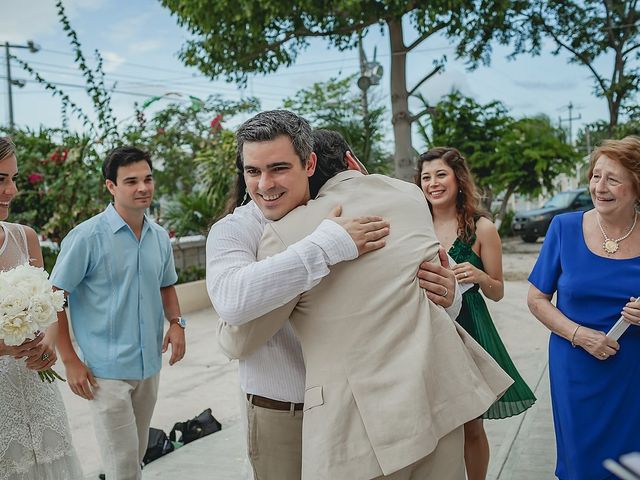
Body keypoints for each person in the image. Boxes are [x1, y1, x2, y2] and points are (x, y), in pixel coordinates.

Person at [217, 110, 513, 480]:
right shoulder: (407, 197)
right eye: (253, 171)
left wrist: (448, 294)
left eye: (278, 168)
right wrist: (329, 245)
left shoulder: (288, 230)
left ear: (309, 166)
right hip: (417, 400)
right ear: (352, 162)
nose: (265, 183)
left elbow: (237, 339)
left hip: (357, 420)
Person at [50, 146, 186, 480]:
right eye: (131, 181)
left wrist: (177, 323)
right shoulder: (86, 237)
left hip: (148, 365)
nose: (143, 188)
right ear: (111, 186)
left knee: (134, 456)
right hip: (104, 371)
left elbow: (166, 285)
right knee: (122, 464)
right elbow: (54, 297)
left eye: (148, 179)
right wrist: (70, 360)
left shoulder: (158, 238)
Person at [416, 147, 536, 480]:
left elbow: (497, 291)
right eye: (426, 177)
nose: (433, 183)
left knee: (471, 423)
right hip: (424, 326)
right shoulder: (415, 224)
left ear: (458, 178)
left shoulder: (481, 228)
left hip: (469, 326)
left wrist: (481, 276)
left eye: (441, 174)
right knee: (432, 423)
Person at [528, 136, 640, 480]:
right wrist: (579, 335)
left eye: (613, 179)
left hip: (633, 371)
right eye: (595, 176)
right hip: (575, 364)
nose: (600, 187)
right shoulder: (564, 228)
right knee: (581, 465)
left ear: (636, 188)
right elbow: (536, 299)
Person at [0, 136, 83, 479]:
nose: (12, 190)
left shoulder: (25, 238)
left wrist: (49, 343)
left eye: (13, 178)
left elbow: (51, 309)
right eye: (0, 179)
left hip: (38, 388)